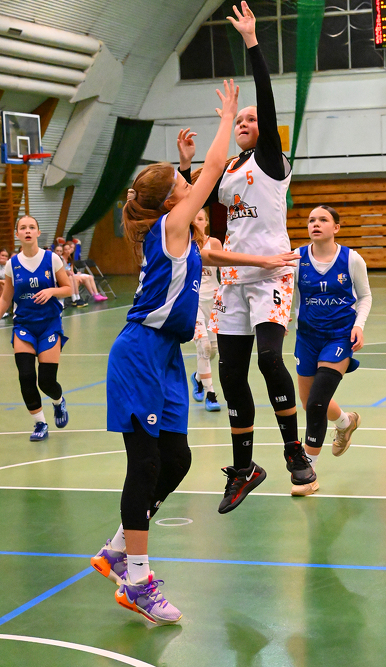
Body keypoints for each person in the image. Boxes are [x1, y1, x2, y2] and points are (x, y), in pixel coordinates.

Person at [89, 79, 298, 625]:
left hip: (164, 358)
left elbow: (213, 256)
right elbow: (211, 172)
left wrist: (266, 262)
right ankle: (137, 580)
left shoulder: (177, 233)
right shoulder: (171, 223)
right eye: (184, 183)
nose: (193, 183)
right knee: (144, 464)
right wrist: (227, 119)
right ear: (173, 200)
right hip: (139, 352)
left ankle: (117, 548)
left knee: (177, 459)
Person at [178, 1, 313, 514]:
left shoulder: (271, 161)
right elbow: (194, 204)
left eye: (252, 118)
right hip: (233, 276)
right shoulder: (229, 169)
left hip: (272, 273)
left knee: (270, 358)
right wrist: (187, 167)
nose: (245, 121)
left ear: (264, 128)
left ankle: (294, 452)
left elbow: (267, 101)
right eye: (239, 119)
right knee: (232, 373)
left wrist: (253, 42)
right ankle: (244, 468)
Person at [291, 205, 372, 496]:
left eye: (323, 220)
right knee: (308, 401)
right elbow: (288, 294)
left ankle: (307, 473)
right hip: (307, 337)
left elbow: (365, 296)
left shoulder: (351, 259)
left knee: (316, 403)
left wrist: (359, 325)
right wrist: (281, 320)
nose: (315, 224)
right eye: (311, 220)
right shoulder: (297, 258)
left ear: (336, 227)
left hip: (339, 337)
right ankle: (346, 422)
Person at [0, 216, 72, 441]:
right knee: (26, 376)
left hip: (49, 324)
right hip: (24, 325)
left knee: (46, 381)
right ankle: (40, 423)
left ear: (38, 233)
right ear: (17, 234)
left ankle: (58, 402)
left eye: (32, 227)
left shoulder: (52, 259)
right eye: (23, 228)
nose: (28, 230)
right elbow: (6, 298)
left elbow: (68, 288)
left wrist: (52, 291)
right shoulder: (12, 264)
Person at [190, 208, 222, 412]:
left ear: (206, 222)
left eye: (201, 218)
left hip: (214, 300)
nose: (197, 222)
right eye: (193, 218)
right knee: (204, 346)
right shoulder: (184, 244)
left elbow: (225, 270)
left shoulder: (215, 243)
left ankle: (197, 377)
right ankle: (211, 393)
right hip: (193, 301)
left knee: (213, 350)